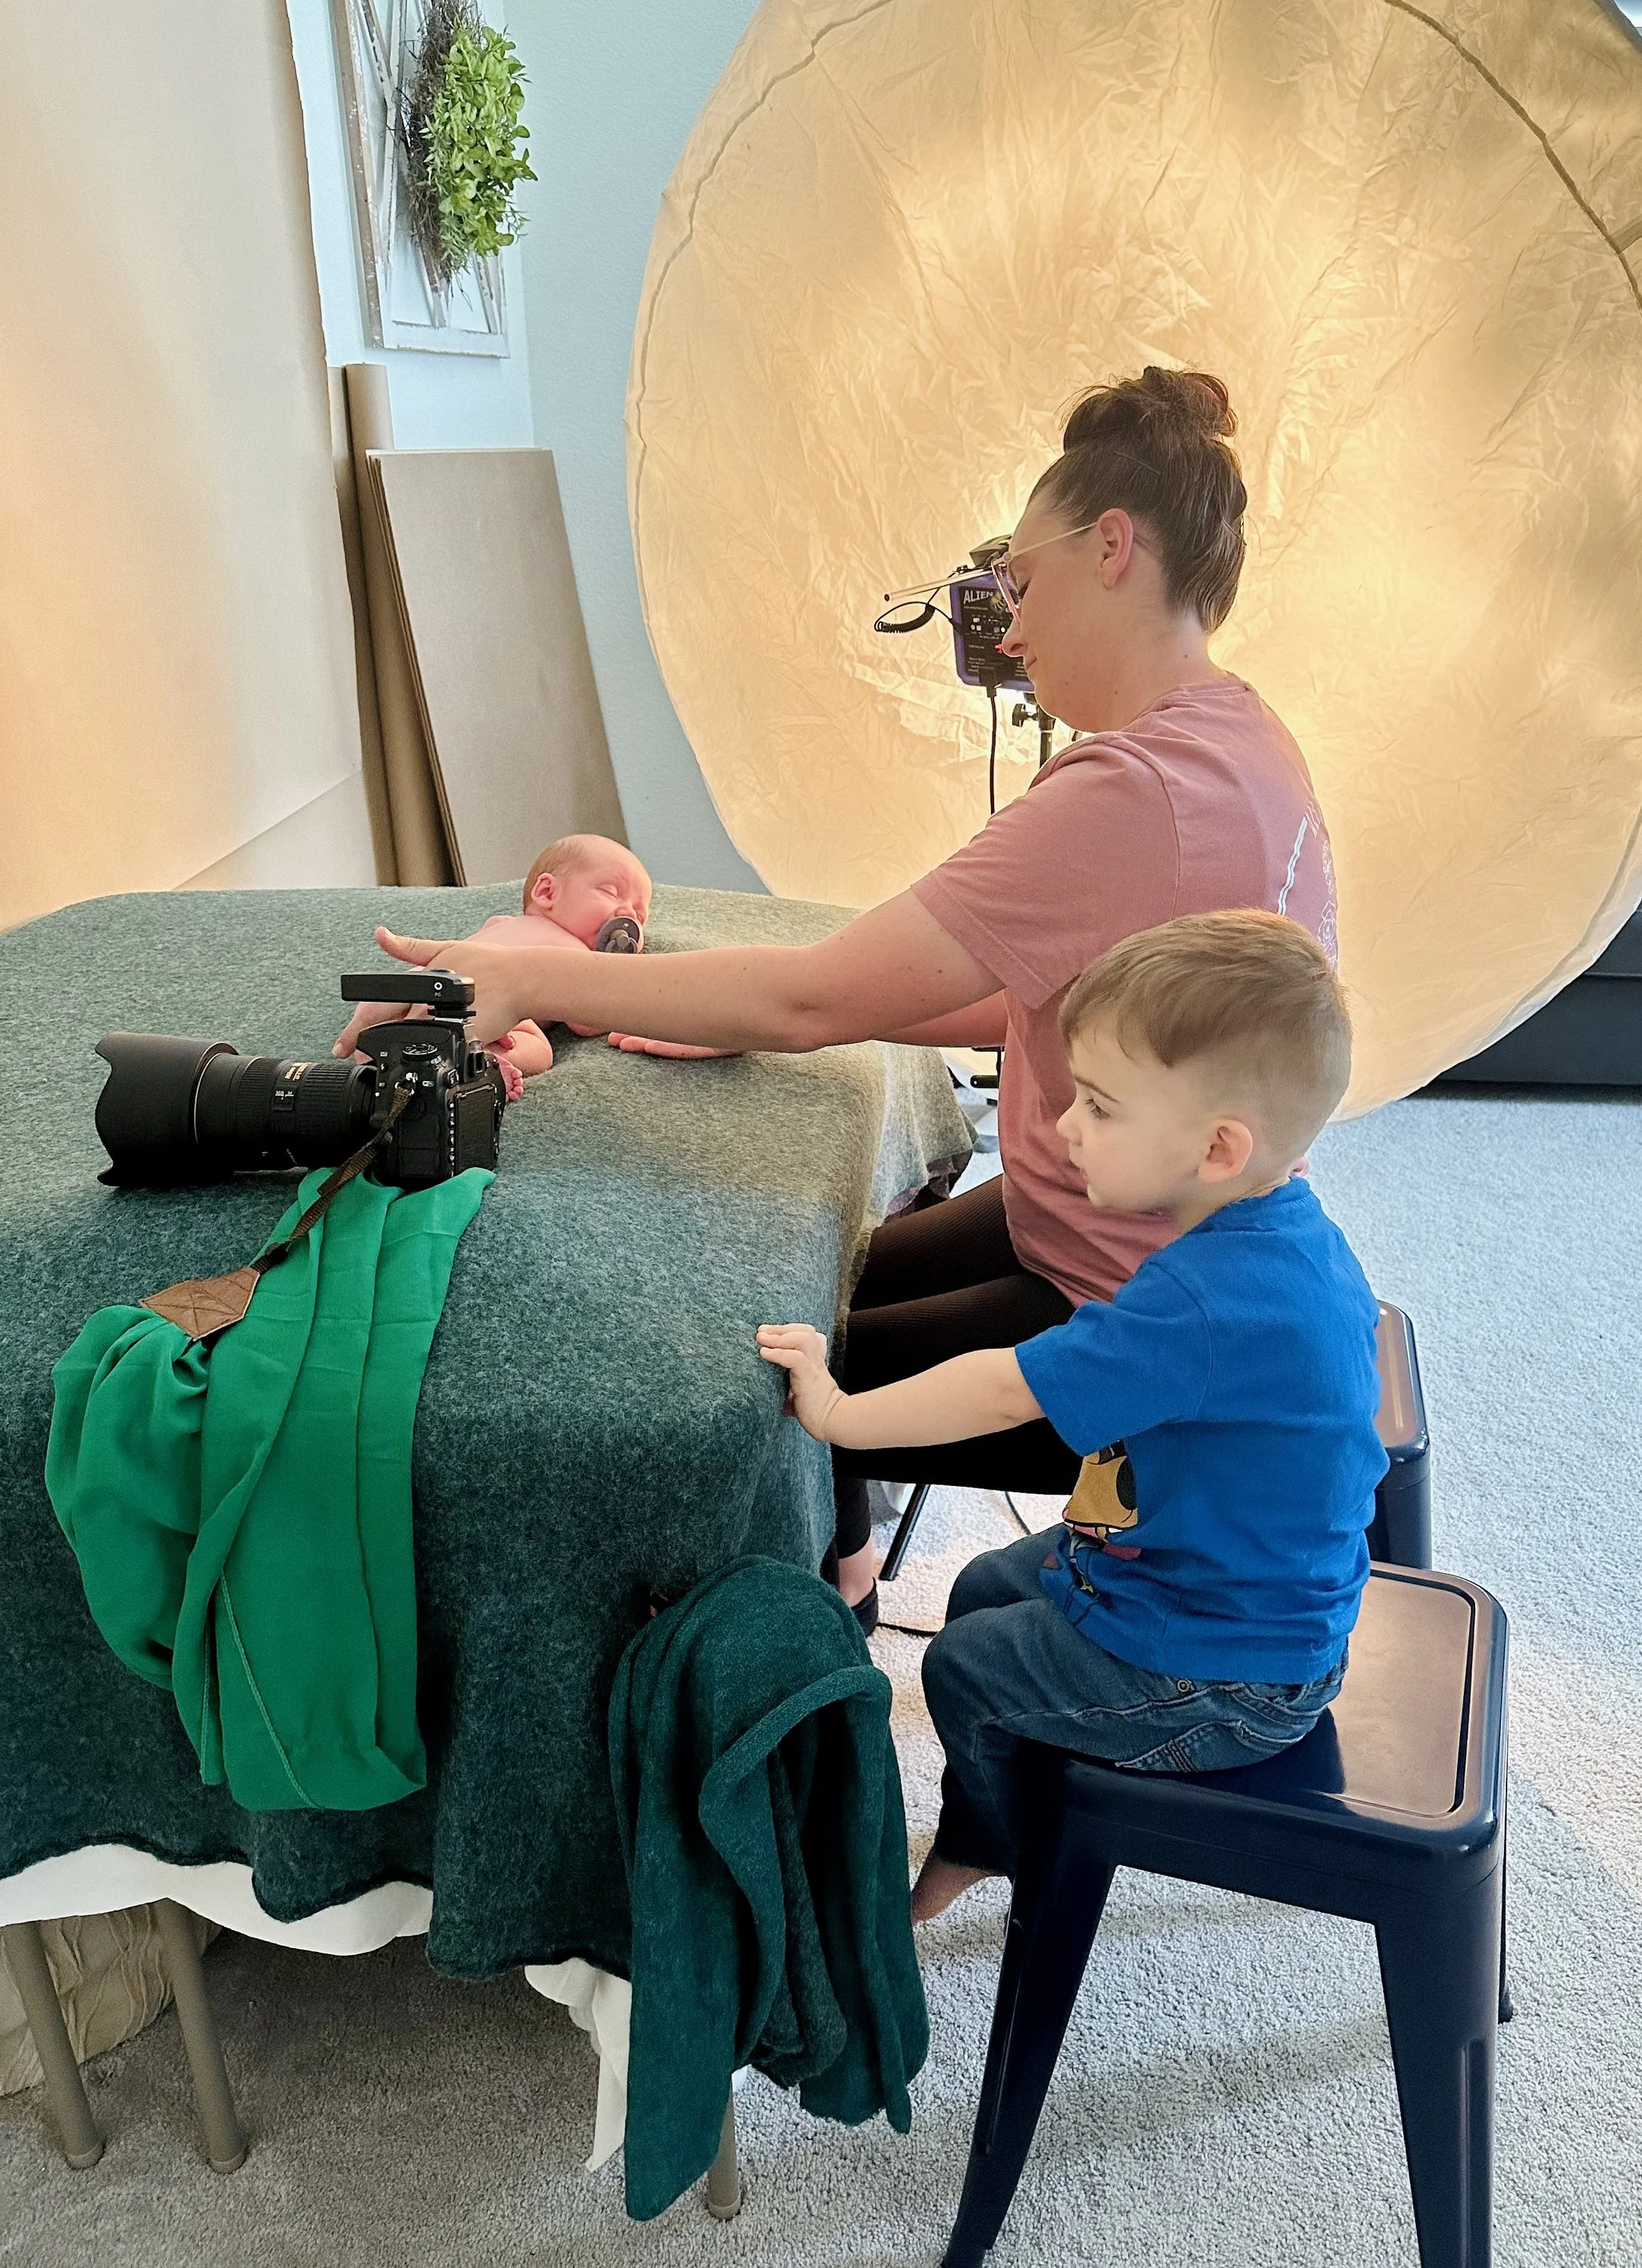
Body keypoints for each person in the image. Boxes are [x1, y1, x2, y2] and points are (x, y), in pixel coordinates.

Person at [367, 368, 1337, 1627]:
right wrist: (708, 1000)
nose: (1011, 628)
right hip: (1134, 1233)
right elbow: (1023, 1004)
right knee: (820, 1273)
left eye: (1019, 586)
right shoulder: (1248, 743)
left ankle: (814, 1624)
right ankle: (850, 1556)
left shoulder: (1131, 793)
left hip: (1128, 1311)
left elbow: (809, 997)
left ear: (1114, 548)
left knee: (750, 1382)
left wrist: (536, 973)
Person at [758, 911, 1386, 1922]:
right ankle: (1018, 1774)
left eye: (1098, 1105)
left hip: (1230, 1675)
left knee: (964, 1665)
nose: (1062, 1128)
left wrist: (836, 1412)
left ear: (1219, 1147)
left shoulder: (1201, 1301)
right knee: (983, 1585)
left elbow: (1007, 1385)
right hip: (1220, 1584)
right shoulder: (1276, 1231)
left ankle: (985, 1841)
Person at [336, 834, 715, 1089]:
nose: (628, 916)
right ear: (547, 891)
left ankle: (379, 1049)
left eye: (639, 915)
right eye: (611, 892)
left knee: (422, 988)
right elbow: (586, 1019)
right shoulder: (576, 956)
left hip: (454, 986)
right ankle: (473, 1059)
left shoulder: (503, 925)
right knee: (535, 1046)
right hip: (469, 990)